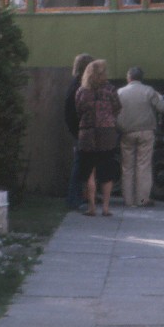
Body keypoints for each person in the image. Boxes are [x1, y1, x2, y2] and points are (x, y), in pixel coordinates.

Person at [75, 59, 122, 216]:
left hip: (87, 132)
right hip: (107, 132)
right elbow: (117, 107)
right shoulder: (110, 89)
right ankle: (106, 208)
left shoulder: (82, 91)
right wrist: (109, 118)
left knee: (90, 172)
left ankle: (92, 207)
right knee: (107, 171)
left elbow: (79, 110)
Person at [117, 66, 164, 208]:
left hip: (127, 133)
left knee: (127, 167)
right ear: (141, 78)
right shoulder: (149, 91)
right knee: (143, 166)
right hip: (146, 132)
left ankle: (128, 200)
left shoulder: (120, 92)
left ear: (129, 78)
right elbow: (162, 108)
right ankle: (142, 200)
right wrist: (160, 96)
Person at [63, 53, 95, 210]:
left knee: (82, 166)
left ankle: (80, 197)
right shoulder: (79, 87)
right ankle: (74, 199)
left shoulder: (76, 85)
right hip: (83, 132)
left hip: (80, 132)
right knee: (79, 167)